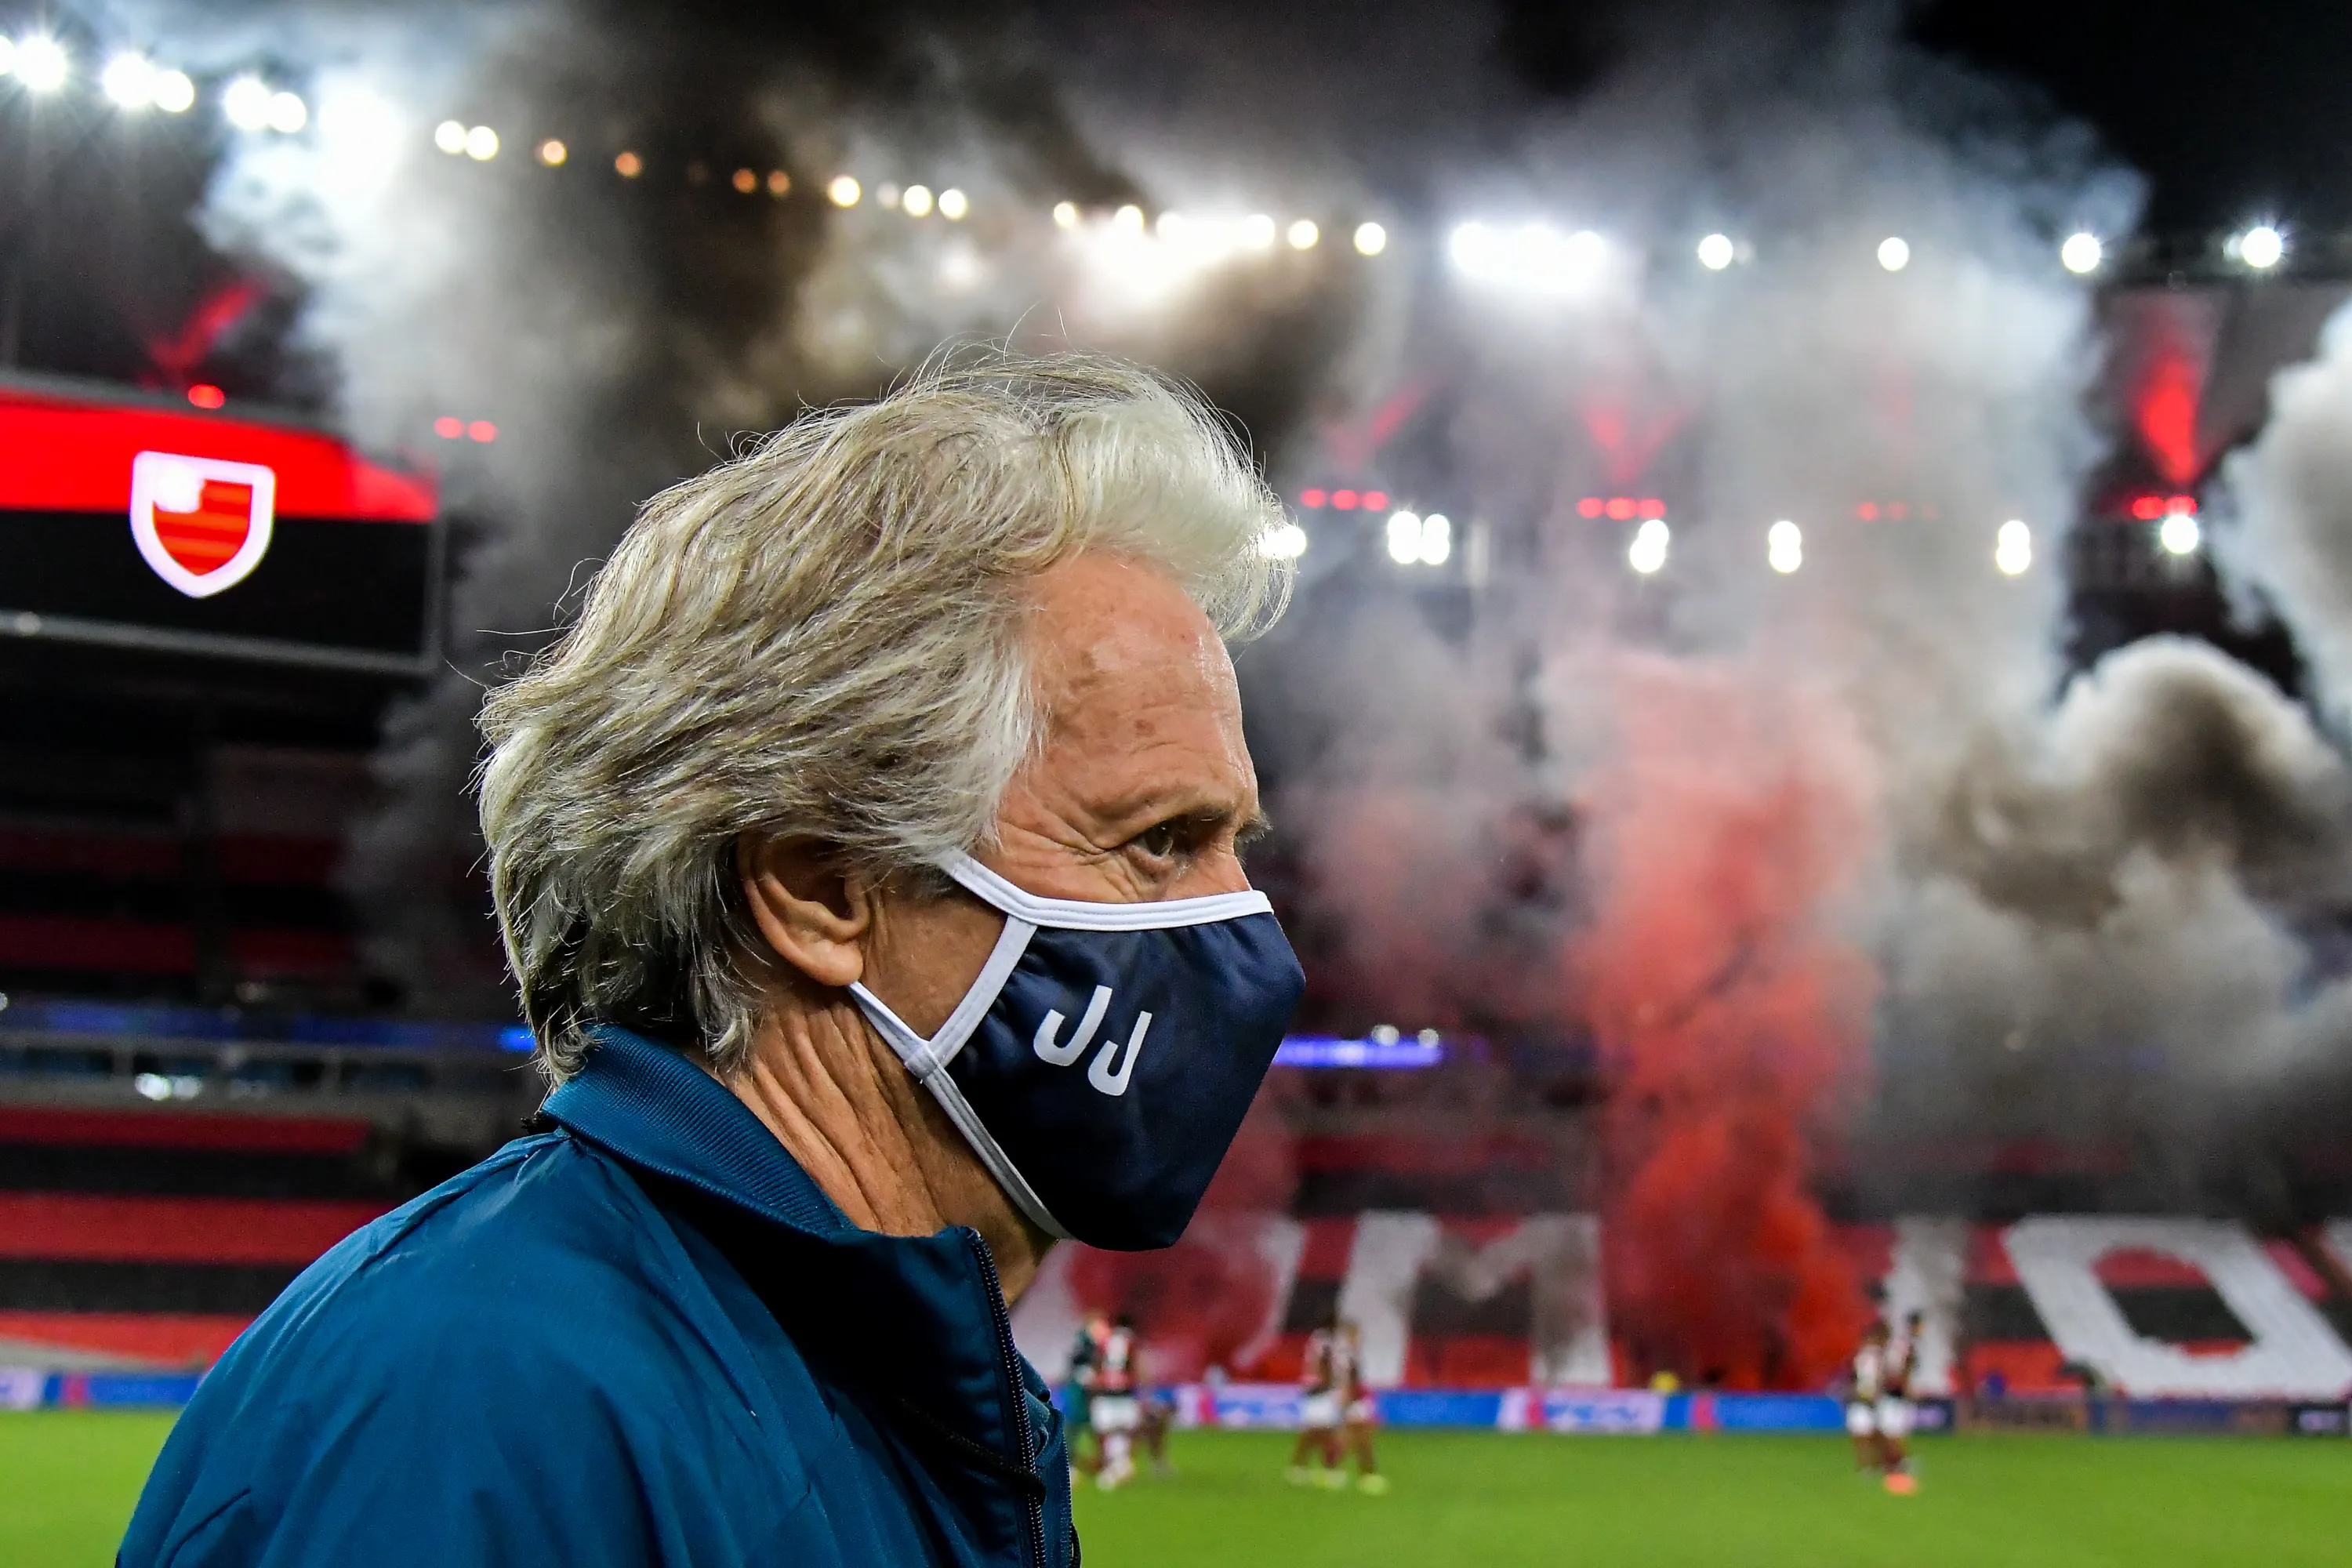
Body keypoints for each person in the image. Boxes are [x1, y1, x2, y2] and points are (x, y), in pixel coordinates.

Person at [118, 354, 1306, 1567]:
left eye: (1235, 844)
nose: (1247, 929)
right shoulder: (478, 1418)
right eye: (1161, 842)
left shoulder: (867, 1385)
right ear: (819, 889)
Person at [1289, 1308, 1350, 1489]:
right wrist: (1332, 1385)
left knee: (1315, 1433)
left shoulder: (1320, 1339)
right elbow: (1324, 1365)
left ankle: (1301, 1467)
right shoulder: (1325, 1341)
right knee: (1326, 1433)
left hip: (1320, 1390)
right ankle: (1327, 1471)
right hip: (1322, 1391)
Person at [1088, 1313, 1145, 1489]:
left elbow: (1096, 1364)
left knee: (1105, 1432)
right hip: (1124, 1393)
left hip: (1104, 1392)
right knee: (1127, 1431)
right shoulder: (1131, 1342)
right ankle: (1121, 1465)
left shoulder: (1104, 1341)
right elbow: (1135, 1365)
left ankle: (1110, 1466)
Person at [1338, 1319, 1388, 1494]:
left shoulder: (1354, 1355)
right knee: (1359, 1437)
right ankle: (1365, 1475)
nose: (1358, 1338)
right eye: (1354, 1336)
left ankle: (1364, 1474)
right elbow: (1346, 1381)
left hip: (1358, 1399)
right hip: (1354, 1400)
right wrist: (1347, 1399)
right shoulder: (1346, 1356)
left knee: (1358, 1438)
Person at [1878, 1310, 1923, 1494]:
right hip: (1893, 1394)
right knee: (1894, 1430)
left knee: (1896, 1430)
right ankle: (1894, 1465)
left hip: (1893, 1394)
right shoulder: (1904, 1345)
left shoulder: (1903, 1344)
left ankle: (1896, 1463)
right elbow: (1898, 1371)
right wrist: (1906, 1388)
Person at [1065, 1308, 1110, 1478]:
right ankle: (1071, 1464)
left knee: (1097, 1427)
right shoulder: (1084, 1341)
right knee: (1075, 1425)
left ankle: (1102, 1462)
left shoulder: (1096, 1342)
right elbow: (1076, 1360)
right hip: (1081, 1388)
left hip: (1094, 1389)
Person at [1846, 1320, 1888, 1475]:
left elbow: (1878, 1377)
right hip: (1863, 1398)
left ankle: (1873, 1465)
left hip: (1870, 1399)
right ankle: (1869, 1466)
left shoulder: (1873, 1357)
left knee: (1869, 1434)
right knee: (1864, 1434)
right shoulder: (1862, 1357)